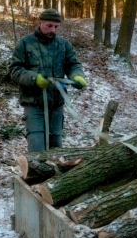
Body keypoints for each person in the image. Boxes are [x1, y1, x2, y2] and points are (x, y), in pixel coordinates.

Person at [9, 8, 87, 152]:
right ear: (40, 23)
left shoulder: (63, 45)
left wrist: (77, 76)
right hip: (33, 103)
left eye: (56, 27)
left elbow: (73, 64)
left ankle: (57, 174)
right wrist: (34, 78)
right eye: (49, 26)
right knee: (37, 146)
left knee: (56, 147)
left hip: (56, 104)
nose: (53, 30)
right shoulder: (25, 43)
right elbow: (15, 70)